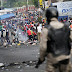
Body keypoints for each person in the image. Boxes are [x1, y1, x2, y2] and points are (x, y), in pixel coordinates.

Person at [35, 7, 72, 72]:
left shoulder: (46, 29)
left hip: (53, 60)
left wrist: (41, 59)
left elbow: (43, 47)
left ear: (47, 17)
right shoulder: (66, 27)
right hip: (66, 59)